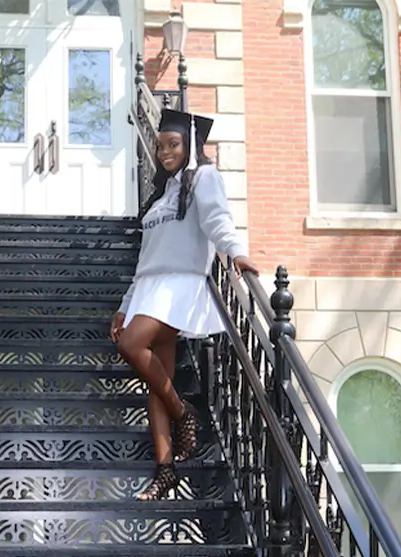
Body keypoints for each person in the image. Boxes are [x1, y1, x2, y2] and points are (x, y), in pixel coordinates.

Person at [110, 108, 259, 501]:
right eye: (160, 146)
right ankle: (165, 469)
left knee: (130, 345)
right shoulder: (162, 196)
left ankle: (183, 414)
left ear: (190, 145)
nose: (164, 153)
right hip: (150, 288)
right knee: (157, 381)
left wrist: (235, 252)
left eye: (172, 145)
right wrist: (126, 304)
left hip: (179, 286)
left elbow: (217, 219)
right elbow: (145, 260)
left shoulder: (204, 178)